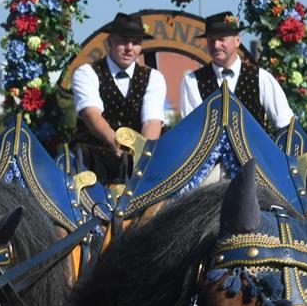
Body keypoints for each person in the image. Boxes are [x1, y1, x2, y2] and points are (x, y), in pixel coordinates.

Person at [70, 12, 165, 184]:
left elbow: (152, 121)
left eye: (135, 42)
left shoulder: (154, 77)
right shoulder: (86, 73)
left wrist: (142, 154)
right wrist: (114, 141)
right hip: (93, 158)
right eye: (123, 41)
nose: (129, 48)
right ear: (110, 42)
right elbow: (91, 114)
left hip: (135, 161)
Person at [180, 12, 294, 133]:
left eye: (221, 39)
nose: (216, 45)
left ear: (237, 40)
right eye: (211, 40)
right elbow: (191, 131)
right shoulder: (193, 81)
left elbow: (286, 125)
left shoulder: (261, 78)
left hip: (253, 152)